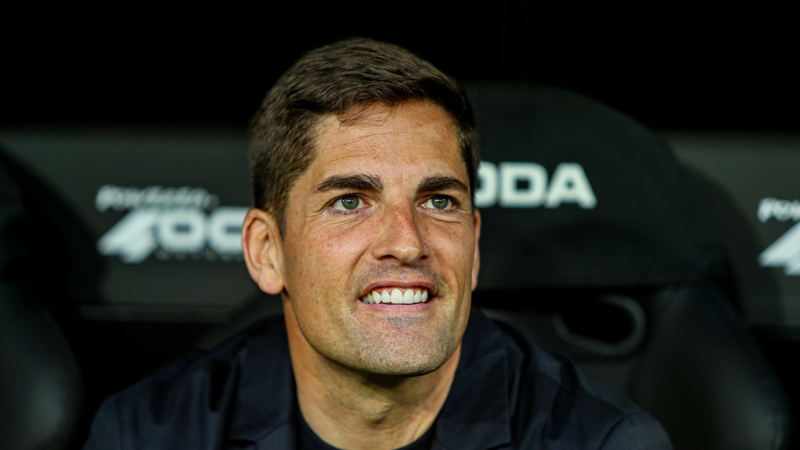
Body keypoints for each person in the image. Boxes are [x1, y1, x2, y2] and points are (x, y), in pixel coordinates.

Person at [83, 37, 672, 450]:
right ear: (267, 251)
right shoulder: (148, 434)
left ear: (474, 245)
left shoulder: (602, 441)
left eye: (438, 201)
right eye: (350, 202)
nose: (407, 242)